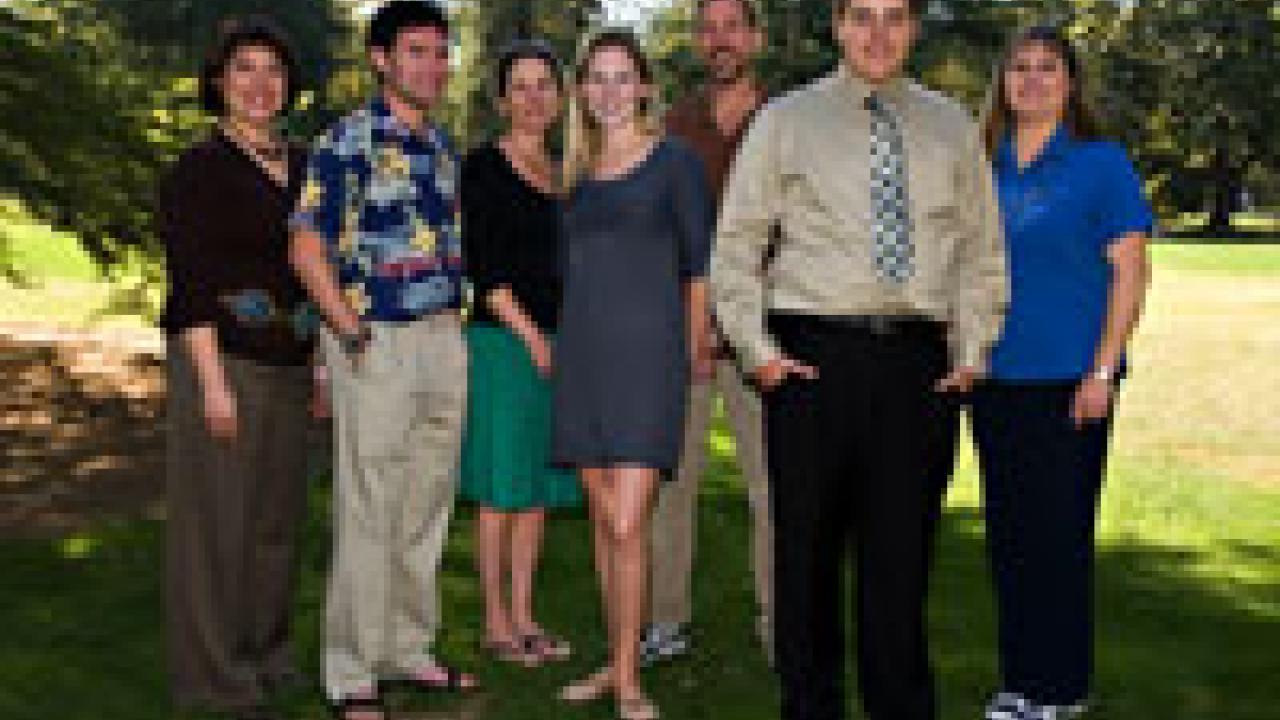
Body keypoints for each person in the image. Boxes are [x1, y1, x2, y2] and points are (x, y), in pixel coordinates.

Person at [709, 0, 1008, 718]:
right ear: (838, 26)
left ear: (913, 29)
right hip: (812, 363)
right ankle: (810, 708)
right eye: (862, 17)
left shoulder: (952, 125)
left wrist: (970, 354)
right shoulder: (787, 120)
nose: (878, 34)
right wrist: (760, 355)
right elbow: (736, 246)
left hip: (917, 370)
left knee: (900, 569)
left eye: (895, 17)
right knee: (805, 568)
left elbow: (980, 252)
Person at [289, 2, 476, 718]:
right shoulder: (347, 141)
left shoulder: (442, 147)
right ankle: (352, 668)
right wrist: (349, 332)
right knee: (370, 504)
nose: (432, 65)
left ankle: (407, 648)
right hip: (379, 339)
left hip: (441, 338)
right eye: (416, 51)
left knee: (427, 499)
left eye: (440, 52)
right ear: (380, 59)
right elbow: (306, 247)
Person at [973, 25, 1154, 720]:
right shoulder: (987, 163)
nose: (1033, 80)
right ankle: (1020, 681)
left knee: (1057, 539)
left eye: (1048, 68)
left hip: (1071, 382)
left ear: (1070, 82)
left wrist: (1102, 372)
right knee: (1011, 538)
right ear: (1004, 82)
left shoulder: (1100, 163)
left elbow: (1131, 272)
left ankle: (1060, 689)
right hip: (996, 381)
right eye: (1019, 68)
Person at [552, 28, 714, 720]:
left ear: (645, 87)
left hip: (650, 360)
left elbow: (698, 266)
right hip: (583, 361)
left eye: (624, 78)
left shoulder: (674, 163)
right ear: (582, 91)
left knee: (627, 521)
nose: (610, 91)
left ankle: (629, 678)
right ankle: (615, 662)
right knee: (602, 521)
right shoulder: (577, 178)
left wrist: (697, 343)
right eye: (598, 78)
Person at [160, 16, 318, 720]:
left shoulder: (307, 166)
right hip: (221, 363)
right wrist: (213, 386)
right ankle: (214, 679)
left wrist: (319, 368)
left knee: (275, 526)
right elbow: (190, 283)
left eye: (273, 70)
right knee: (216, 527)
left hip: (291, 365)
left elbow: (319, 274)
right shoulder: (198, 172)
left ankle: (265, 654)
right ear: (219, 82)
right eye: (245, 69)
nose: (261, 84)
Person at [644, 0, 775, 667]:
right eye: (710, 28)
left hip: (765, 338)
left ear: (754, 36)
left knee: (775, 490)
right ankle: (665, 620)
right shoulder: (674, 127)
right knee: (673, 487)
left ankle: (780, 625)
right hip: (685, 336)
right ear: (698, 40)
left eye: (733, 26)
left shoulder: (786, 121)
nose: (721, 39)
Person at [459, 39, 580, 667]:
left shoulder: (566, 174)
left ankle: (527, 616)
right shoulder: (482, 167)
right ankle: (495, 623)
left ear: (560, 97)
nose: (534, 98)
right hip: (505, 344)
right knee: (502, 490)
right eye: (521, 86)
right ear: (502, 99)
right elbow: (486, 269)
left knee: (534, 489)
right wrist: (534, 340)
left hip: (557, 347)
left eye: (544, 85)